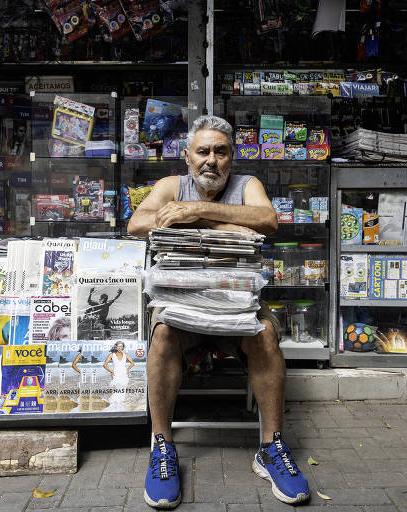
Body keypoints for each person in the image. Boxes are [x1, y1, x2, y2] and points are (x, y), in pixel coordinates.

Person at [127, 115, 309, 508]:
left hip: (238, 302)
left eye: (220, 152)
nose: (212, 160)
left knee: (264, 334)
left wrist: (194, 213)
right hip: (182, 302)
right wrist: (224, 226)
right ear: (188, 157)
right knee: (162, 334)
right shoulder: (169, 185)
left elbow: (267, 220)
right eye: (203, 151)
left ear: (232, 157)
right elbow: (137, 223)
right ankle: (162, 447)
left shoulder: (248, 185)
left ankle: (271, 446)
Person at [102, 341, 135, 411]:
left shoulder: (126, 355)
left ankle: (120, 405)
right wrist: (111, 371)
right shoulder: (112, 355)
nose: (120, 348)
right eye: (118, 346)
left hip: (124, 374)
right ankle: (113, 404)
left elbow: (132, 363)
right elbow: (105, 365)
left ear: (123, 347)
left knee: (123, 390)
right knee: (117, 389)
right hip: (116, 374)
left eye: (121, 346)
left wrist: (128, 369)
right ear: (116, 347)